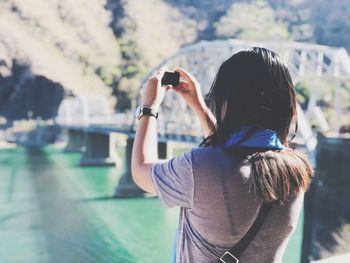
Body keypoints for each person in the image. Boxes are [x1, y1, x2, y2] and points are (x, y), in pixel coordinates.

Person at [131, 47, 314, 263]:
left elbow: (141, 170)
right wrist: (198, 106)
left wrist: (149, 109)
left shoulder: (199, 167)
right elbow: (233, 156)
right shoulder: (296, 170)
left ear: (228, 101)